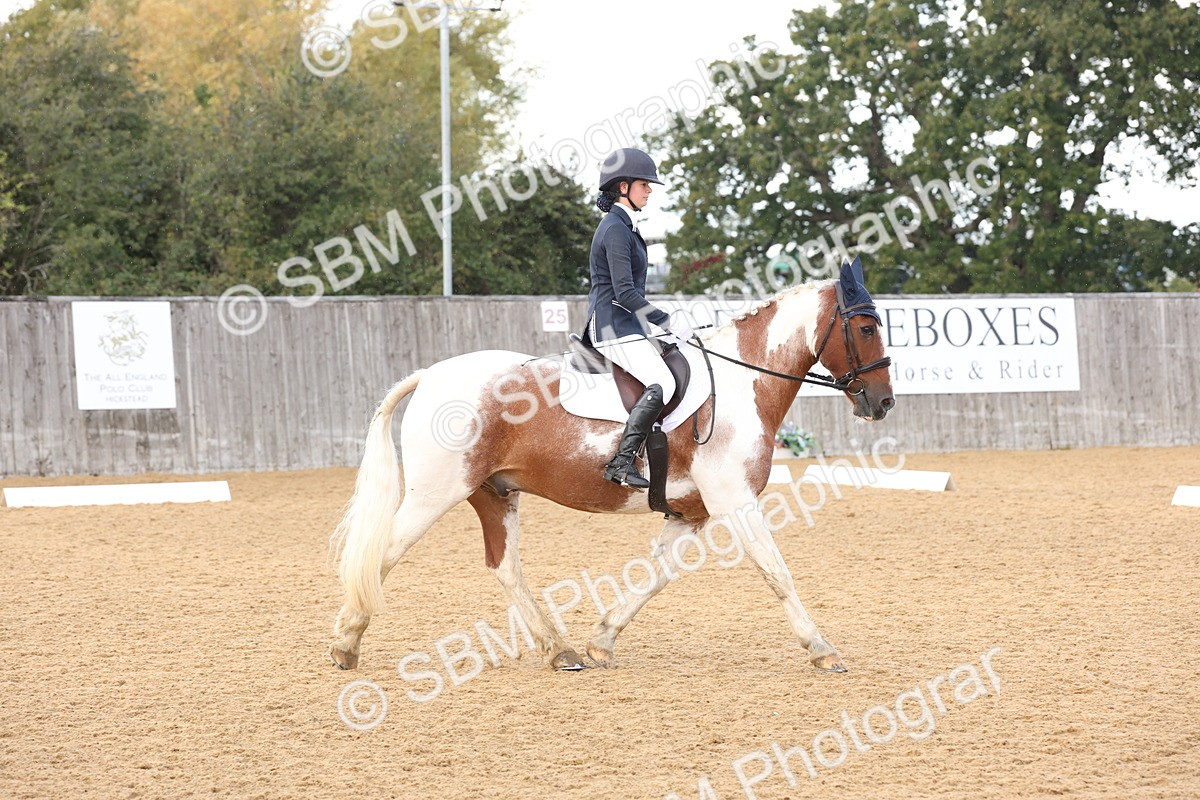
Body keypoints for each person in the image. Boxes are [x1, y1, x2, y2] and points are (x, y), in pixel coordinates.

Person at [581, 148, 693, 489]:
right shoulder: (615, 229)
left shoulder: (626, 227)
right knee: (663, 383)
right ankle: (622, 461)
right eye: (644, 184)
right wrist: (667, 321)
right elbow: (625, 294)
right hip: (611, 327)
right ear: (623, 186)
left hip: (627, 326)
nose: (649, 190)